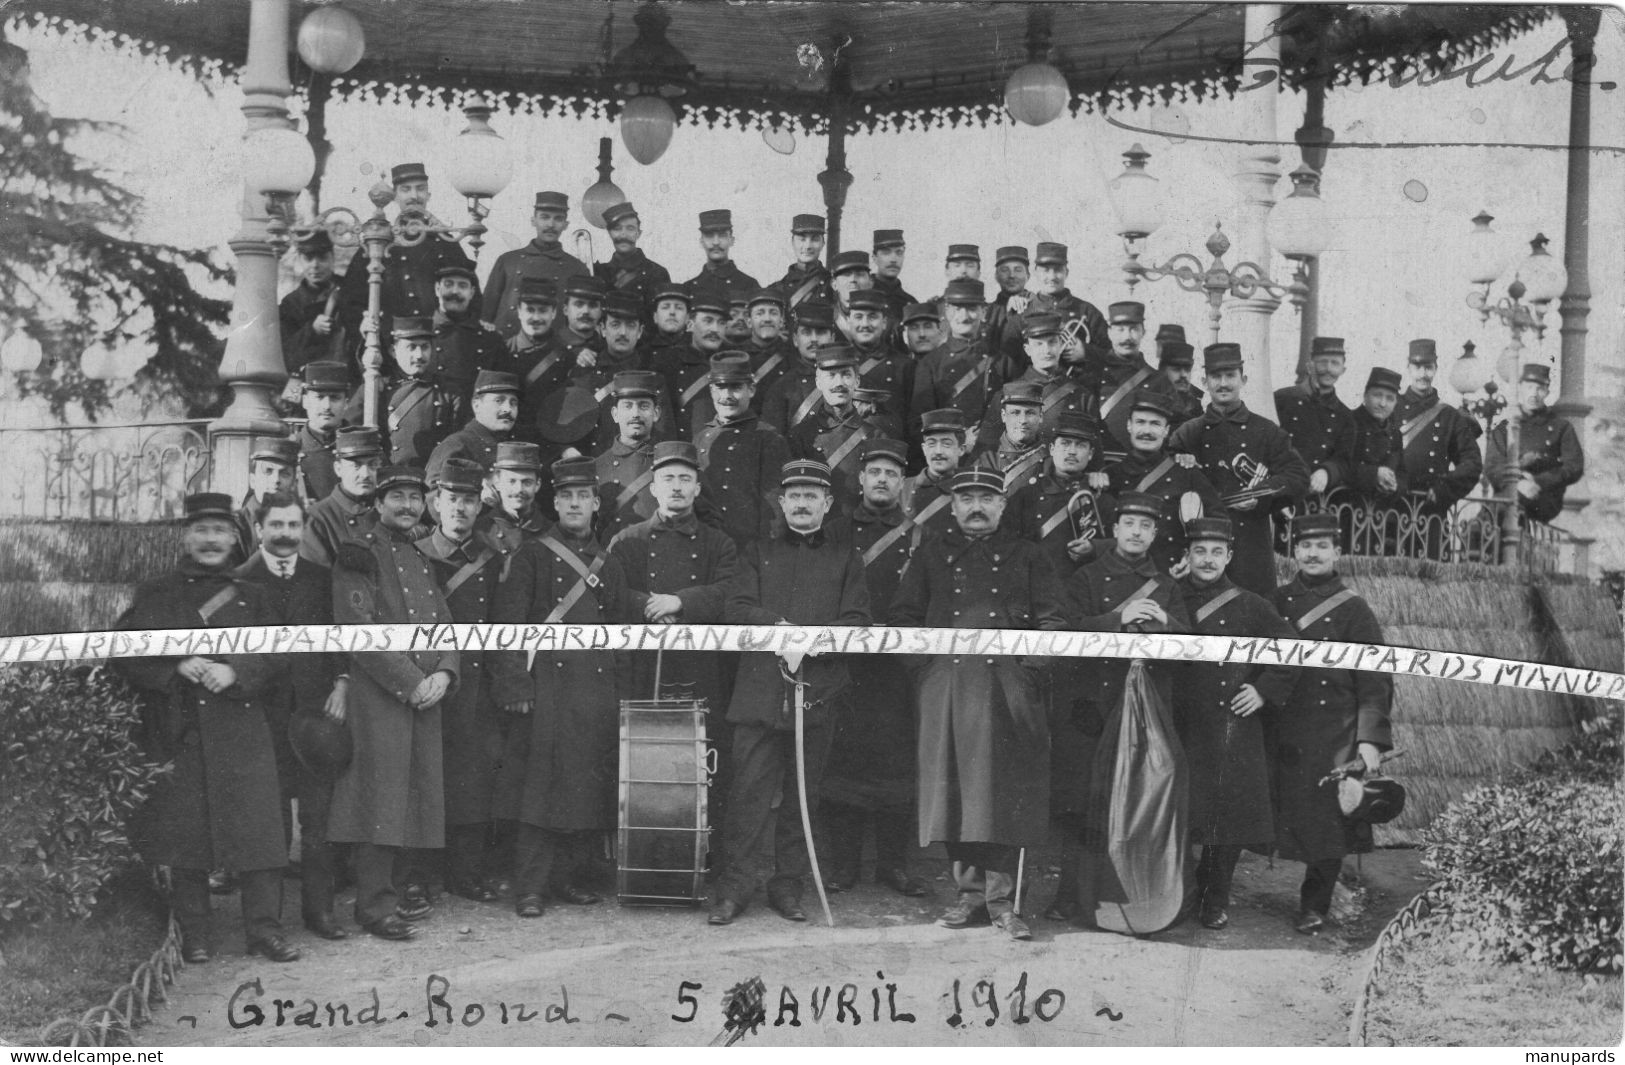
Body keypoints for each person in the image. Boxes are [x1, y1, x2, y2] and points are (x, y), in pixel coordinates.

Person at [116, 493, 298, 964]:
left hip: (243, 729)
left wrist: (238, 672)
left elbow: (282, 653)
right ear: (185, 536)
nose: (212, 539)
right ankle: (195, 933)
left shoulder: (254, 594)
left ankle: (265, 930)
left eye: (221, 530)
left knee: (259, 837)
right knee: (187, 841)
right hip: (184, 732)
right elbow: (123, 652)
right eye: (202, 530)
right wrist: (176, 663)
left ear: (236, 538)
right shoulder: (156, 593)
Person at [891, 467, 1067, 941]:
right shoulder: (931, 555)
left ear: (1003, 505)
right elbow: (905, 619)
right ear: (952, 505)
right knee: (953, 794)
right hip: (946, 688)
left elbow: (1054, 622)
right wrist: (925, 671)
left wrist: (1028, 673)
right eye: (966, 497)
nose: (975, 505)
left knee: (1003, 795)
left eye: (986, 498)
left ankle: (1003, 901)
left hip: (1007, 689)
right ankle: (968, 893)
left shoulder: (1029, 556)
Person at [708, 460, 872, 925]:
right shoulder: (756, 552)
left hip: (817, 694)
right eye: (794, 495)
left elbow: (857, 620)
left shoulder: (845, 558)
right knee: (747, 797)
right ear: (782, 503)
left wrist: (812, 644)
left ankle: (788, 887)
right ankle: (734, 888)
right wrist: (780, 630)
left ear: (828, 503)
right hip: (759, 695)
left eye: (811, 495)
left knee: (804, 799)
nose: (802, 503)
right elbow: (737, 608)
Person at [491, 457, 632, 918]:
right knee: (539, 792)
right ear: (555, 501)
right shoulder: (530, 555)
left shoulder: (608, 564)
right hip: (544, 688)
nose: (574, 504)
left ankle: (568, 878)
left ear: (595, 503)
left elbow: (618, 631)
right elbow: (507, 625)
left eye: (583, 497)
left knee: (582, 788)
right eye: (566, 496)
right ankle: (530, 888)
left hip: (593, 692)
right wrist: (514, 683)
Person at [327, 466, 460, 940]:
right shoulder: (359, 553)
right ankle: (373, 906)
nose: (407, 506)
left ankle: (400, 893)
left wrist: (445, 670)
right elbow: (357, 629)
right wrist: (411, 681)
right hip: (380, 696)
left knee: (414, 796)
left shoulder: (420, 554)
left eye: (415, 497)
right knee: (379, 798)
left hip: (425, 694)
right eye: (397, 497)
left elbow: (444, 620)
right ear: (378, 502)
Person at [1053, 491, 1190, 923]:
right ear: (1114, 531)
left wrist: (1168, 624)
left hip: (1148, 709)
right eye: (1129, 523)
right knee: (1084, 802)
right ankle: (1072, 897)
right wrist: (1119, 617)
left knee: (1142, 799)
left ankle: (1140, 898)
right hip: (1094, 705)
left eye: (1145, 526)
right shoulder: (1088, 578)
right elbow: (1069, 631)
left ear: (1154, 534)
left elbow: (1191, 647)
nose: (1136, 532)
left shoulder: (1168, 586)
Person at [607, 441, 742, 844]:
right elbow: (611, 594)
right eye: (668, 479)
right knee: (642, 756)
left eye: (685, 478)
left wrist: (682, 602)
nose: (677, 487)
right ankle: (641, 850)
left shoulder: (720, 543)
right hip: (642, 669)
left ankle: (702, 850)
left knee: (702, 759)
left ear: (698, 488)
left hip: (700, 669)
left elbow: (731, 591)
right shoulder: (627, 540)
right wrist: (649, 604)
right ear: (652, 487)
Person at [1270, 512, 1393, 934]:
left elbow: (1375, 680)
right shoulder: (1277, 601)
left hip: (1334, 730)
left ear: (1337, 552)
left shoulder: (1354, 609)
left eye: (1322, 546)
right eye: (1305, 546)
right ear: (1294, 551)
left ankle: (1314, 905)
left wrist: (1369, 741)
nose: (1312, 553)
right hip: (1284, 728)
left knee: (1330, 825)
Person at [1174, 515, 1297, 930]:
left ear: (1229, 555)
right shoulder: (1170, 596)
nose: (1207, 560)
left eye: (1216, 552)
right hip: (1178, 721)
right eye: (1199, 551)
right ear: (1186, 555)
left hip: (1230, 724)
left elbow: (1292, 650)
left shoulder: (1251, 604)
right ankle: (1177, 896)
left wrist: (1263, 690)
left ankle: (1214, 899)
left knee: (1225, 821)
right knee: (1177, 814)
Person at [823, 439, 930, 898]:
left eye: (891, 473)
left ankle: (893, 865)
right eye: (875, 472)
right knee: (843, 760)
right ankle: (844, 865)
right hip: (847, 662)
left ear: (901, 482)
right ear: (861, 479)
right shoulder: (836, 531)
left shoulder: (918, 533)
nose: (882, 480)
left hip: (897, 667)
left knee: (897, 763)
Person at [414, 459, 505, 903]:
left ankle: (465, 874)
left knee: (471, 780)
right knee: (424, 778)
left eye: (469, 500)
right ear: (436, 503)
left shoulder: (492, 559)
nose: (460, 509)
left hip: (476, 685)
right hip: (426, 680)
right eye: (452, 499)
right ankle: (419, 875)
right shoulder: (416, 556)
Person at [1169, 343, 1310, 596]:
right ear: (1204, 381)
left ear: (1243, 379)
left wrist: (1262, 495)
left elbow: (1298, 476)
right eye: (1215, 377)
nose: (1223, 383)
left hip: (1250, 546)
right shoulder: (1188, 432)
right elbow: (1167, 478)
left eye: (1230, 376)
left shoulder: (1266, 431)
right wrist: (1180, 462)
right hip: (1203, 545)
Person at [334, 162, 477, 359]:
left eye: (420, 189)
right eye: (405, 189)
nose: (414, 196)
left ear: (428, 195)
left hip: (439, 350)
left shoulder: (447, 243)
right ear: (395, 196)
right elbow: (351, 304)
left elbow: (472, 298)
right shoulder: (377, 243)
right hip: (389, 350)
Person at [1103, 391, 1223, 575]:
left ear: (1166, 430)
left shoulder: (1186, 472)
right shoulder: (1110, 476)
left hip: (1172, 574)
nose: (1147, 431)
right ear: (1129, 426)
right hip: (1120, 576)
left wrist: (1194, 558)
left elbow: (1219, 522)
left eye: (1155, 424)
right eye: (1140, 422)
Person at [694, 352, 792, 546]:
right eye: (720, 388)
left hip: (751, 549)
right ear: (712, 391)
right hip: (709, 547)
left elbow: (777, 507)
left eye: (736, 388)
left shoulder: (768, 438)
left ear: (752, 390)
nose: (727, 396)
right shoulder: (700, 439)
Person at [1007, 411, 1115, 578]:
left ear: (1091, 453)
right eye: (1065, 443)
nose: (1072, 451)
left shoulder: (1102, 499)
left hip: (1084, 589)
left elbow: (1122, 546)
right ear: (1052, 449)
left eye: (1080, 445)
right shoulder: (1027, 496)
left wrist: (1095, 547)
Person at [1391, 339, 1483, 528]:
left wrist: (1445, 488)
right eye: (1417, 367)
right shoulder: (1392, 407)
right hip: (1390, 511)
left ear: (1436, 368)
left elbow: (1472, 463)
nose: (1423, 374)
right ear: (1408, 367)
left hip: (1431, 512)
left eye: (1428, 368)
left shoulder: (1449, 416)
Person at [788, 344, 889, 511]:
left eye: (846, 375)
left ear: (857, 381)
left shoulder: (876, 437)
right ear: (818, 382)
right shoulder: (800, 436)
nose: (839, 383)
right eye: (831, 375)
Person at [482, 190, 591, 339]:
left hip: (553, 352)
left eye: (558, 219)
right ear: (533, 220)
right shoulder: (508, 261)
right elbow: (485, 314)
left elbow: (581, 319)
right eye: (544, 217)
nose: (551, 225)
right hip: (506, 347)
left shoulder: (577, 268)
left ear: (566, 224)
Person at [1486, 362, 1584, 524]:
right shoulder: (1506, 428)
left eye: (1540, 389)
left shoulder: (1561, 427)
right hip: (1509, 492)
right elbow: (1492, 465)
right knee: (1484, 522)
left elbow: (1574, 466)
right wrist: (1519, 482)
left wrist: (1539, 482)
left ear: (1547, 392)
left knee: (1499, 513)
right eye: (1529, 387)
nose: (1534, 394)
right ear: (1521, 389)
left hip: (1543, 496)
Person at [1079, 300, 1176, 461]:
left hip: (1138, 468)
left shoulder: (1159, 380)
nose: (1127, 337)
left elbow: (1176, 427)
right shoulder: (1090, 375)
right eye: (1120, 329)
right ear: (1109, 332)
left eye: (1133, 329)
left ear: (1143, 332)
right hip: (1094, 467)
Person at [978, 312, 1090, 444]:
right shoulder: (1005, 395)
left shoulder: (1082, 396)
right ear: (1027, 349)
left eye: (1052, 342)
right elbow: (986, 452)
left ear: (1060, 345)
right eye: (1038, 344)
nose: (1046, 350)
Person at [911, 279, 1000, 442]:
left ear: (984, 312)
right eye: (957, 308)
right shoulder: (931, 364)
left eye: (972, 309)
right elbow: (920, 423)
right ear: (947, 311)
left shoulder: (1000, 361)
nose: (964, 317)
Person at [368, 315, 462, 468]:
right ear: (393, 351)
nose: (419, 355)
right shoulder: (378, 388)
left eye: (425, 347)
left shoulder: (448, 392)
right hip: (387, 478)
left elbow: (456, 445)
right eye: (411, 347)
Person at [1274, 336, 1357, 502]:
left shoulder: (1346, 417)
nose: (1328, 369)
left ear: (1343, 369)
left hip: (1319, 500)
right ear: (1310, 366)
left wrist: (1327, 472)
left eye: (1335, 363)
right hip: (1281, 492)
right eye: (1322, 362)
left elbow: (1344, 460)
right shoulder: (1282, 399)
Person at [593, 370, 667, 538]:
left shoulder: (671, 463)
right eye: (627, 406)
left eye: (643, 406)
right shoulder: (596, 467)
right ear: (615, 414)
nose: (635, 414)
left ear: (656, 413)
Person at [499, 278, 570, 446]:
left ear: (553, 313)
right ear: (519, 311)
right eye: (530, 310)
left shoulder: (566, 357)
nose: (536, 318)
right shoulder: (502, 352)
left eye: (543, 311)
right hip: (511, 443)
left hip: (552, 444)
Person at [301, 426, 384, 566]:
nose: (365, 474)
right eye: (356, 466)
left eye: (373, 465)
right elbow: (315, 580)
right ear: (338, 469)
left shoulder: (387, 512)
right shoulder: (319, 519)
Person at [1022, 242, 1109, 373]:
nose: (1051, 277)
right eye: (1046, 270)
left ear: (1066, 272)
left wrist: (1086, 352)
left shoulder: (1087, 311)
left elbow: (1113, 354)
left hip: (1080, 388)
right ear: (1036, 272)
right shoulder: (1024, 310)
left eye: (1057, 270)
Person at [425, 369, 521, 489]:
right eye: (498, 401)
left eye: (513, 403)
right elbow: (432, 496)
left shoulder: (515, 447)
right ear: (476, 405)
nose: (508, 409)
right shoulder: (457, 446)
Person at [429, 263, 507, 408]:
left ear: (471, 293)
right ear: (437, 289)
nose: (455, 291)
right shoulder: (422, 334)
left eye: (462, 286)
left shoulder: (491, 339)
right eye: (448, 284)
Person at [652, 292, 730, 434]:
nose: (715, 329)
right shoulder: (668, 361)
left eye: (721, 323)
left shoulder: (730, 363)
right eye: (708, 321)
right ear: (690, 325)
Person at [760, 300, 837, 435]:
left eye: (821, 332)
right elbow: (773, 440)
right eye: (806, 332)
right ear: (795, 339)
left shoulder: (849, 381)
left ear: (832, 338)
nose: (814, 339)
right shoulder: (781, 388)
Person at [279, 227, 344, 377]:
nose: (315, 265)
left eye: (322, 258)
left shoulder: (349, 291)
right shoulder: (291, 303)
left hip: (346, 377)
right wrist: (312, 330)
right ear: (300, 260)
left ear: (332, 258)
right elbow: (285, 352)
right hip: (309, 380)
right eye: (308, 258)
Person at [900, 408, 970, 540]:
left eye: (946, 444)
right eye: (931, 444)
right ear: (924, 449)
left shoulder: (970, 490)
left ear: (961, 449)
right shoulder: (903, 488)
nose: (938, 451)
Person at [593, 201, 671, 313]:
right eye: (617, 229)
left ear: (639, 233)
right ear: (609, 233)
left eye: (630, 228)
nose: (623, 234)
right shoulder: (599, 272)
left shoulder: (656, 273)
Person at [971, 380, 1048, 494]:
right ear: (1003, 416)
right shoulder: (985, 460)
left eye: (1030, 413)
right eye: (1015, 413)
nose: (1022, 421)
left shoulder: (1052, 458)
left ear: (1040, 416)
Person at [231, 437, 298, 564]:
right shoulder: (235, 526)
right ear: (253, 480)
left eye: (284, 474)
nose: (276, 480)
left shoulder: (304, 526)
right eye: (268, 471)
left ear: (294, 484)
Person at [1349, 367, 1408, 507]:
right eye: (1377, 395)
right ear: (1365, 395)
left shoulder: (1395, 434)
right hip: (1347, 510)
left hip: (1381, 517)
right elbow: (1340, 465)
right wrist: (1373, 474)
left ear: (1395, 403)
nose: (1382, 403)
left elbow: (1403, 475)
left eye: (1390, 398)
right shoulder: (1349, 422)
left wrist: (1396, 486)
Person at [480, 441, 549, 561]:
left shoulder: (551, 531)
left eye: (527, 482)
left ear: (537, 485)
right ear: (497, 482)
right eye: (511, 481)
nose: (519, 489)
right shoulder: (479, 532)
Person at [294, 361, 352, 503]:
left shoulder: (363, 447)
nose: (326, 406)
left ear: (346, 403)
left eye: (335, 398)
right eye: (319, 397)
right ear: (305, 401)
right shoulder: (290, 449)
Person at [686, 209, 760, 304]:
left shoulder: (749, 285)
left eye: (722, 235)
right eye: (709, 236)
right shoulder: (689, 288)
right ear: (701, 242)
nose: (716, 242)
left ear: (732, 240)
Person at [981, 245, 1032, 372]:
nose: (1011, 276)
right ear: (996, 276)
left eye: (1018, 270)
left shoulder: (1037, 306)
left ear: (1028, 275)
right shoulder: (987, 311)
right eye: (1005, 270)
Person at [773, 214, 833, 309]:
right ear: (792, 242)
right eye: (802, 239)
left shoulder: (832, 285)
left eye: (815, 239)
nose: (808, 246)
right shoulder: (777, 288)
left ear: (823, 243)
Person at [1156, 326, 1204, 426]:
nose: (1183, 375)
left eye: (1187, 369)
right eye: (1176, 369)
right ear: (1163, 371)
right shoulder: (1153, 400)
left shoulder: (1196, 406)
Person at [869, 229, 915, 321]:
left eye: (899, 253)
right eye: (886, 252)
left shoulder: (911, 303)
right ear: (874, 258)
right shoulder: (864, 295)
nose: (893, 259)